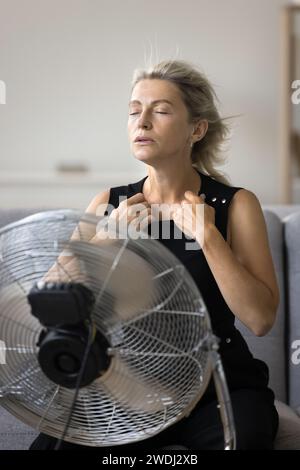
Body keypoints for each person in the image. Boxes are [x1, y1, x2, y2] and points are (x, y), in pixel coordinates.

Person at [30, 59, 279, 450]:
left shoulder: (236, 205)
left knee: (243, 440)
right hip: (125, 382)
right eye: (134, 111)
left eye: (161, 111)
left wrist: (208, 236)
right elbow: (48, 298)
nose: (142, 122)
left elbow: (261, 319)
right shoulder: (109, 203)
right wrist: (104, 241)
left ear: (196, 129)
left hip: (218, 384)